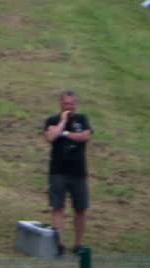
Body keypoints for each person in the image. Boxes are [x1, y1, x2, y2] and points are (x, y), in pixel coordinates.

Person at [43, 91, 93, 255]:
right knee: (58, 207)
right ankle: (58, 244)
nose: (69, 107)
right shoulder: (52, 120)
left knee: (80, 208)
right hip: (58, 171)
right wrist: (63, 122)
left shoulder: (82, 119)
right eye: (66, 104)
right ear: (61, 104)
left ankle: (78, 244)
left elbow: (85, 136)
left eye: (72, 104)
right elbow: (51, 136)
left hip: (78, 172)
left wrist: (66, 135)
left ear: (76, 105)